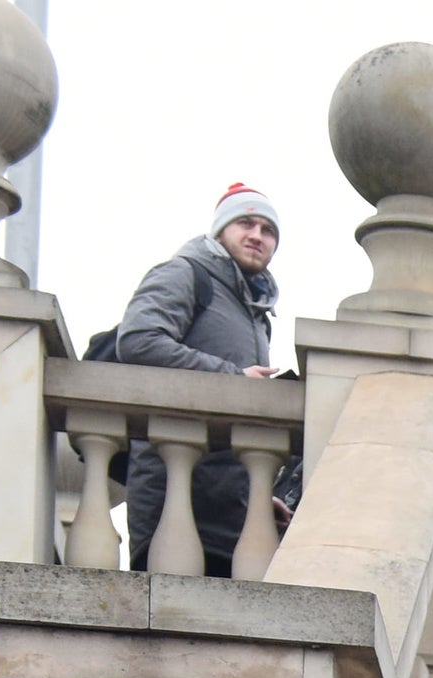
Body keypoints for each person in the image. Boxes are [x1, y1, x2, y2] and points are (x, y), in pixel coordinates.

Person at [110, 181, 296, 577]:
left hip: (232, 518)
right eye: (245, 223)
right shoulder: (186, 273)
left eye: (268, 231)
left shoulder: (256, 313)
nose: (257, 236)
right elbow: (138, 340)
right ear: (220, 230)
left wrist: (257, 496)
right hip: (172, 504)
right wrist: (232, 376)